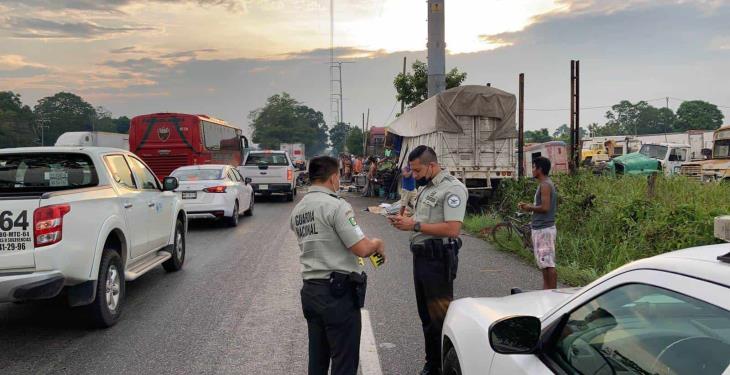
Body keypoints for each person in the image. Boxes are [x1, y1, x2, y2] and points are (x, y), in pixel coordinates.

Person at [291, 156, 386, 375]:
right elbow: (361, 248)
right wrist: (377, 243)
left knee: (318, 359)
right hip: (337, 294)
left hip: (311, 291)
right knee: (344, 361)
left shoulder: (299, 210)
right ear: (334, 178)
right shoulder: (336, 206)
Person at [389, 146, 467, 375]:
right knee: (426, 316)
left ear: (431, 166)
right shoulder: (428, 188)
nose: (414, 176)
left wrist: (413, 225)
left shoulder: (453, 189)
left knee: (439, 319)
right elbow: (422, 219)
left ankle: (445, 366)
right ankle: (432, 364)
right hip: (422, 258)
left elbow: (453, 229)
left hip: (438, 260)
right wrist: (405, 221)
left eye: (417, 170)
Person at [518, 156, 558, 289]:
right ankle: (547, 291)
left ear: (540, 169)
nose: (533, 170)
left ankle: (551, 293)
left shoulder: (545, 185)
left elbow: (545, 208)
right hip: (542, 228)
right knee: (544, 264)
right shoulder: (544, 184)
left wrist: (529, 207)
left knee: (548, 264)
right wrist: (529, 206)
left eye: (534, 167)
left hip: (544, 229)